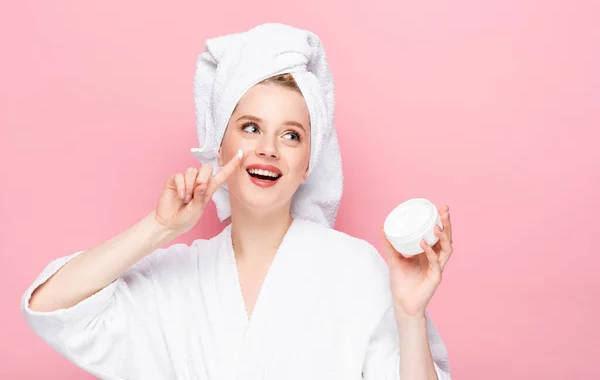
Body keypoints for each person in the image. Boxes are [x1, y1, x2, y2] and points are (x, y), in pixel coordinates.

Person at [21, 23, 453, 379]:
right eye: (250, 127)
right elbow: (51, 306)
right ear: (220, 147)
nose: (268, 148)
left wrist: (410, 315)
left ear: (308, 164)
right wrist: (159, 228)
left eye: (291, 135)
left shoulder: (357, 269)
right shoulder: (178, 277)